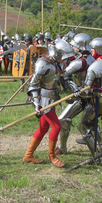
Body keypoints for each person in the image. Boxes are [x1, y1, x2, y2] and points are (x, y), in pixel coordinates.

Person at [23, 39, 68, 168]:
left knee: (43, 128)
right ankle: (52, 156)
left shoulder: (54, 63)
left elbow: (60, 79)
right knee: (56, 126)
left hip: (51, 98)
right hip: (43, 100)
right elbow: (33, 85)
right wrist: (37, 104)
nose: (64, 60)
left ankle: (28, 155)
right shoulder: (42, 64)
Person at [55, 34, 95, 155]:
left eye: (73, 46)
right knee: (63, 119)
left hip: (89, 98)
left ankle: (98, 151)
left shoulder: (79, 62)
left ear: (78, 47)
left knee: (85, 126)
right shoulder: (93, 59)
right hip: (83, 97)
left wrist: (71, 86)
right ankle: (62, 147)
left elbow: (62, 76)